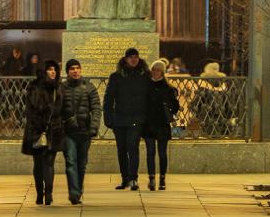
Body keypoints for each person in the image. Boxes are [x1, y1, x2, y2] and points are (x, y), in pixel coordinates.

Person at [104, 47, 150, 189]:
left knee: (133, 147)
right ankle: (125, 178)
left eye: (135, 56)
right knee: (122, 150)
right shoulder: (116, 76)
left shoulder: (145, 76)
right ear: (125, 59)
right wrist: (108, 118)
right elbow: (109, 98)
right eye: (131, 57)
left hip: (137, 118)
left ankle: (133, 179)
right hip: (119, 119)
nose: (133, 59)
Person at [21, 59, 64, 205]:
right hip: (37, 131)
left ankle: (49, 194)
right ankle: (40, 193)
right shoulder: (34, 87)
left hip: (53, 130)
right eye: (50, 69)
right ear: (44, 71)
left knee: (49, 162)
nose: (53, 72)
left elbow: (62, 109)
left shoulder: (58, 87)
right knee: (38, 163)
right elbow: (31, 111)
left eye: (55, 69)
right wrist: (41, 126)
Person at [60, 59, 100, 205]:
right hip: (68, 132)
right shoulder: (62, 88)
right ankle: (74, 193)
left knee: (81, 164)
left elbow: (96, 108)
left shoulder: (89, 87)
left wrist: (94, 127)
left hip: (84, 131)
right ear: (67, 71)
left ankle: (78, 189)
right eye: (72, 69)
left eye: (77, 68)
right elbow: (57, 110)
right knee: (71, 162)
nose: (75, 71)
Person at [143, 59, 180, 191]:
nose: (155, 72)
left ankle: (162, 179)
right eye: (153, 70)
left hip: (162, 124)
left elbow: (176, 106)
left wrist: (168, 110)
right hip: (148, 124)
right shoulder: (146, 86)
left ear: (163, 72)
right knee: (150, 152)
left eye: (158, 70)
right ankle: (152, 178)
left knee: (162, 153)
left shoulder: (168, 88)